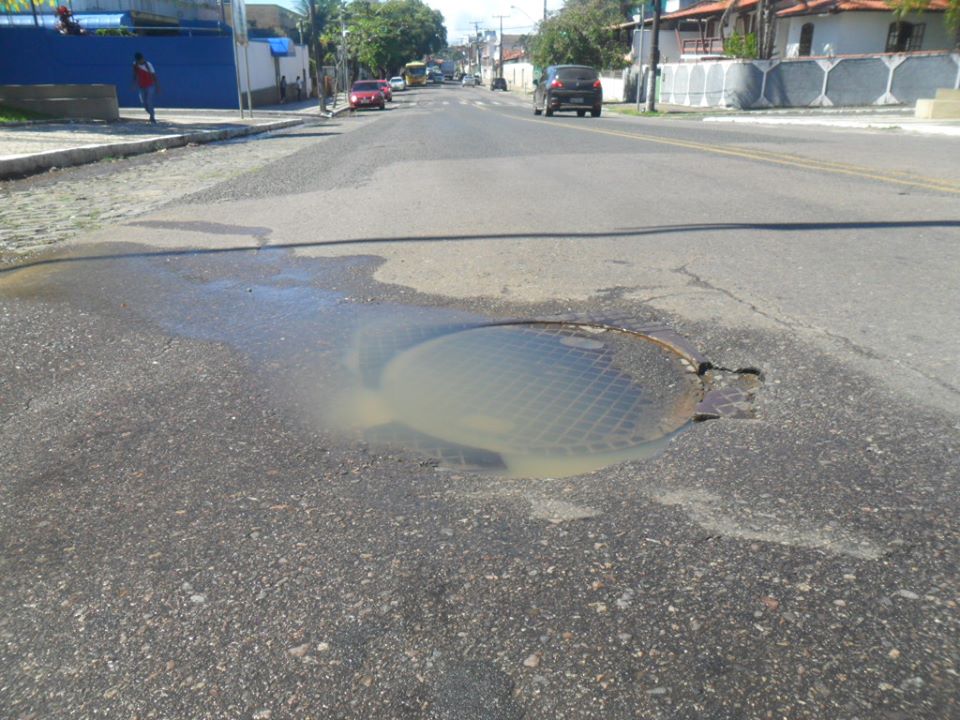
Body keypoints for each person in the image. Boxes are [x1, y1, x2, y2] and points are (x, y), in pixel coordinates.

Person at [132, 52, 159, 124]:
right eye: (139, 60)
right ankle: (151, 113)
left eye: (141, 59)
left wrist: (157, 86)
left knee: (149, 101)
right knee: (144, 103)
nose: (140, 61)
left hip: (150, 85)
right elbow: (135, 74)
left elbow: (154, 75)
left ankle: (152, 117)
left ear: (143, 58)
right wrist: (134, 83)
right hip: (141, 86)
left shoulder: (148, 65)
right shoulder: (135, 65)